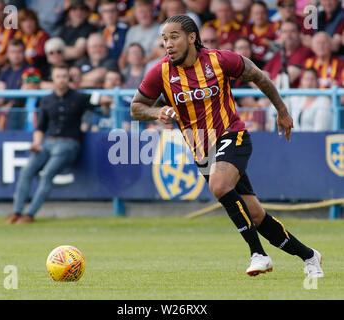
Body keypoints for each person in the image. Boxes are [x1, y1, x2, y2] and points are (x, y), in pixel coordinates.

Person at [131, 14, 324, 278]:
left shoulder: (220, 60)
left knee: (219, 185)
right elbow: (136, 107)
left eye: (174, 37)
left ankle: (258, 254)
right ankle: (310, 256)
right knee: (255, 214)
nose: (168, 44)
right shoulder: (160, 71)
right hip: (202, 150)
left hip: (233, 135)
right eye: (164, 39)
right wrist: (157, 112)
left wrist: (281, 110)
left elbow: (260, 76)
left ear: (192, 38)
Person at [5, 64, 102, 224]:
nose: (62, 80)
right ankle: (16, 212)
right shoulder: (47, 100)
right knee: (26, 171)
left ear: (68, 79)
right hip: (48, 143)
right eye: (58, 76)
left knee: (47, 173)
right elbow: (41, 127)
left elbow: (100, 104)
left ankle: (29, 214)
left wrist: (105, 101)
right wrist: (37, 143)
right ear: (53, 79)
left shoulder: (79, 98)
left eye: (65, 76)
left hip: (69, 144)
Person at [264, 20, 314, 88]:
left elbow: (289, 77)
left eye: (292, 31)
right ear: (280, 35)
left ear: (299, 34)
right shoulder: (279, 53)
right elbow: (264, 73)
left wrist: (265, 85)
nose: (288, 35)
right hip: (271, 94)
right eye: (285, 32)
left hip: (293, 96)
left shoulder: (306, 51)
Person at [118, 0, 160, 71]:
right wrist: (122, 71)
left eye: (146, 11)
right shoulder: (132, 30)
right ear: (136, 15)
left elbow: (155, 55)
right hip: (131, 69)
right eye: (140, 12)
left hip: (149, 69)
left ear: (152, 12)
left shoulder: (160, 29)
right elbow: (124, 55)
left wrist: (137, 66)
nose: (144, 15)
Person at [242, 1, 280, 68]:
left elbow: (282, 47)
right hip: (251, 66)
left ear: (267, 13)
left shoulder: (275, 26)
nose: (260, 16)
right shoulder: (247, 29)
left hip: (271, 65)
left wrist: (271, 43)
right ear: (251, 15)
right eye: (256, 13)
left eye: (262, 13)